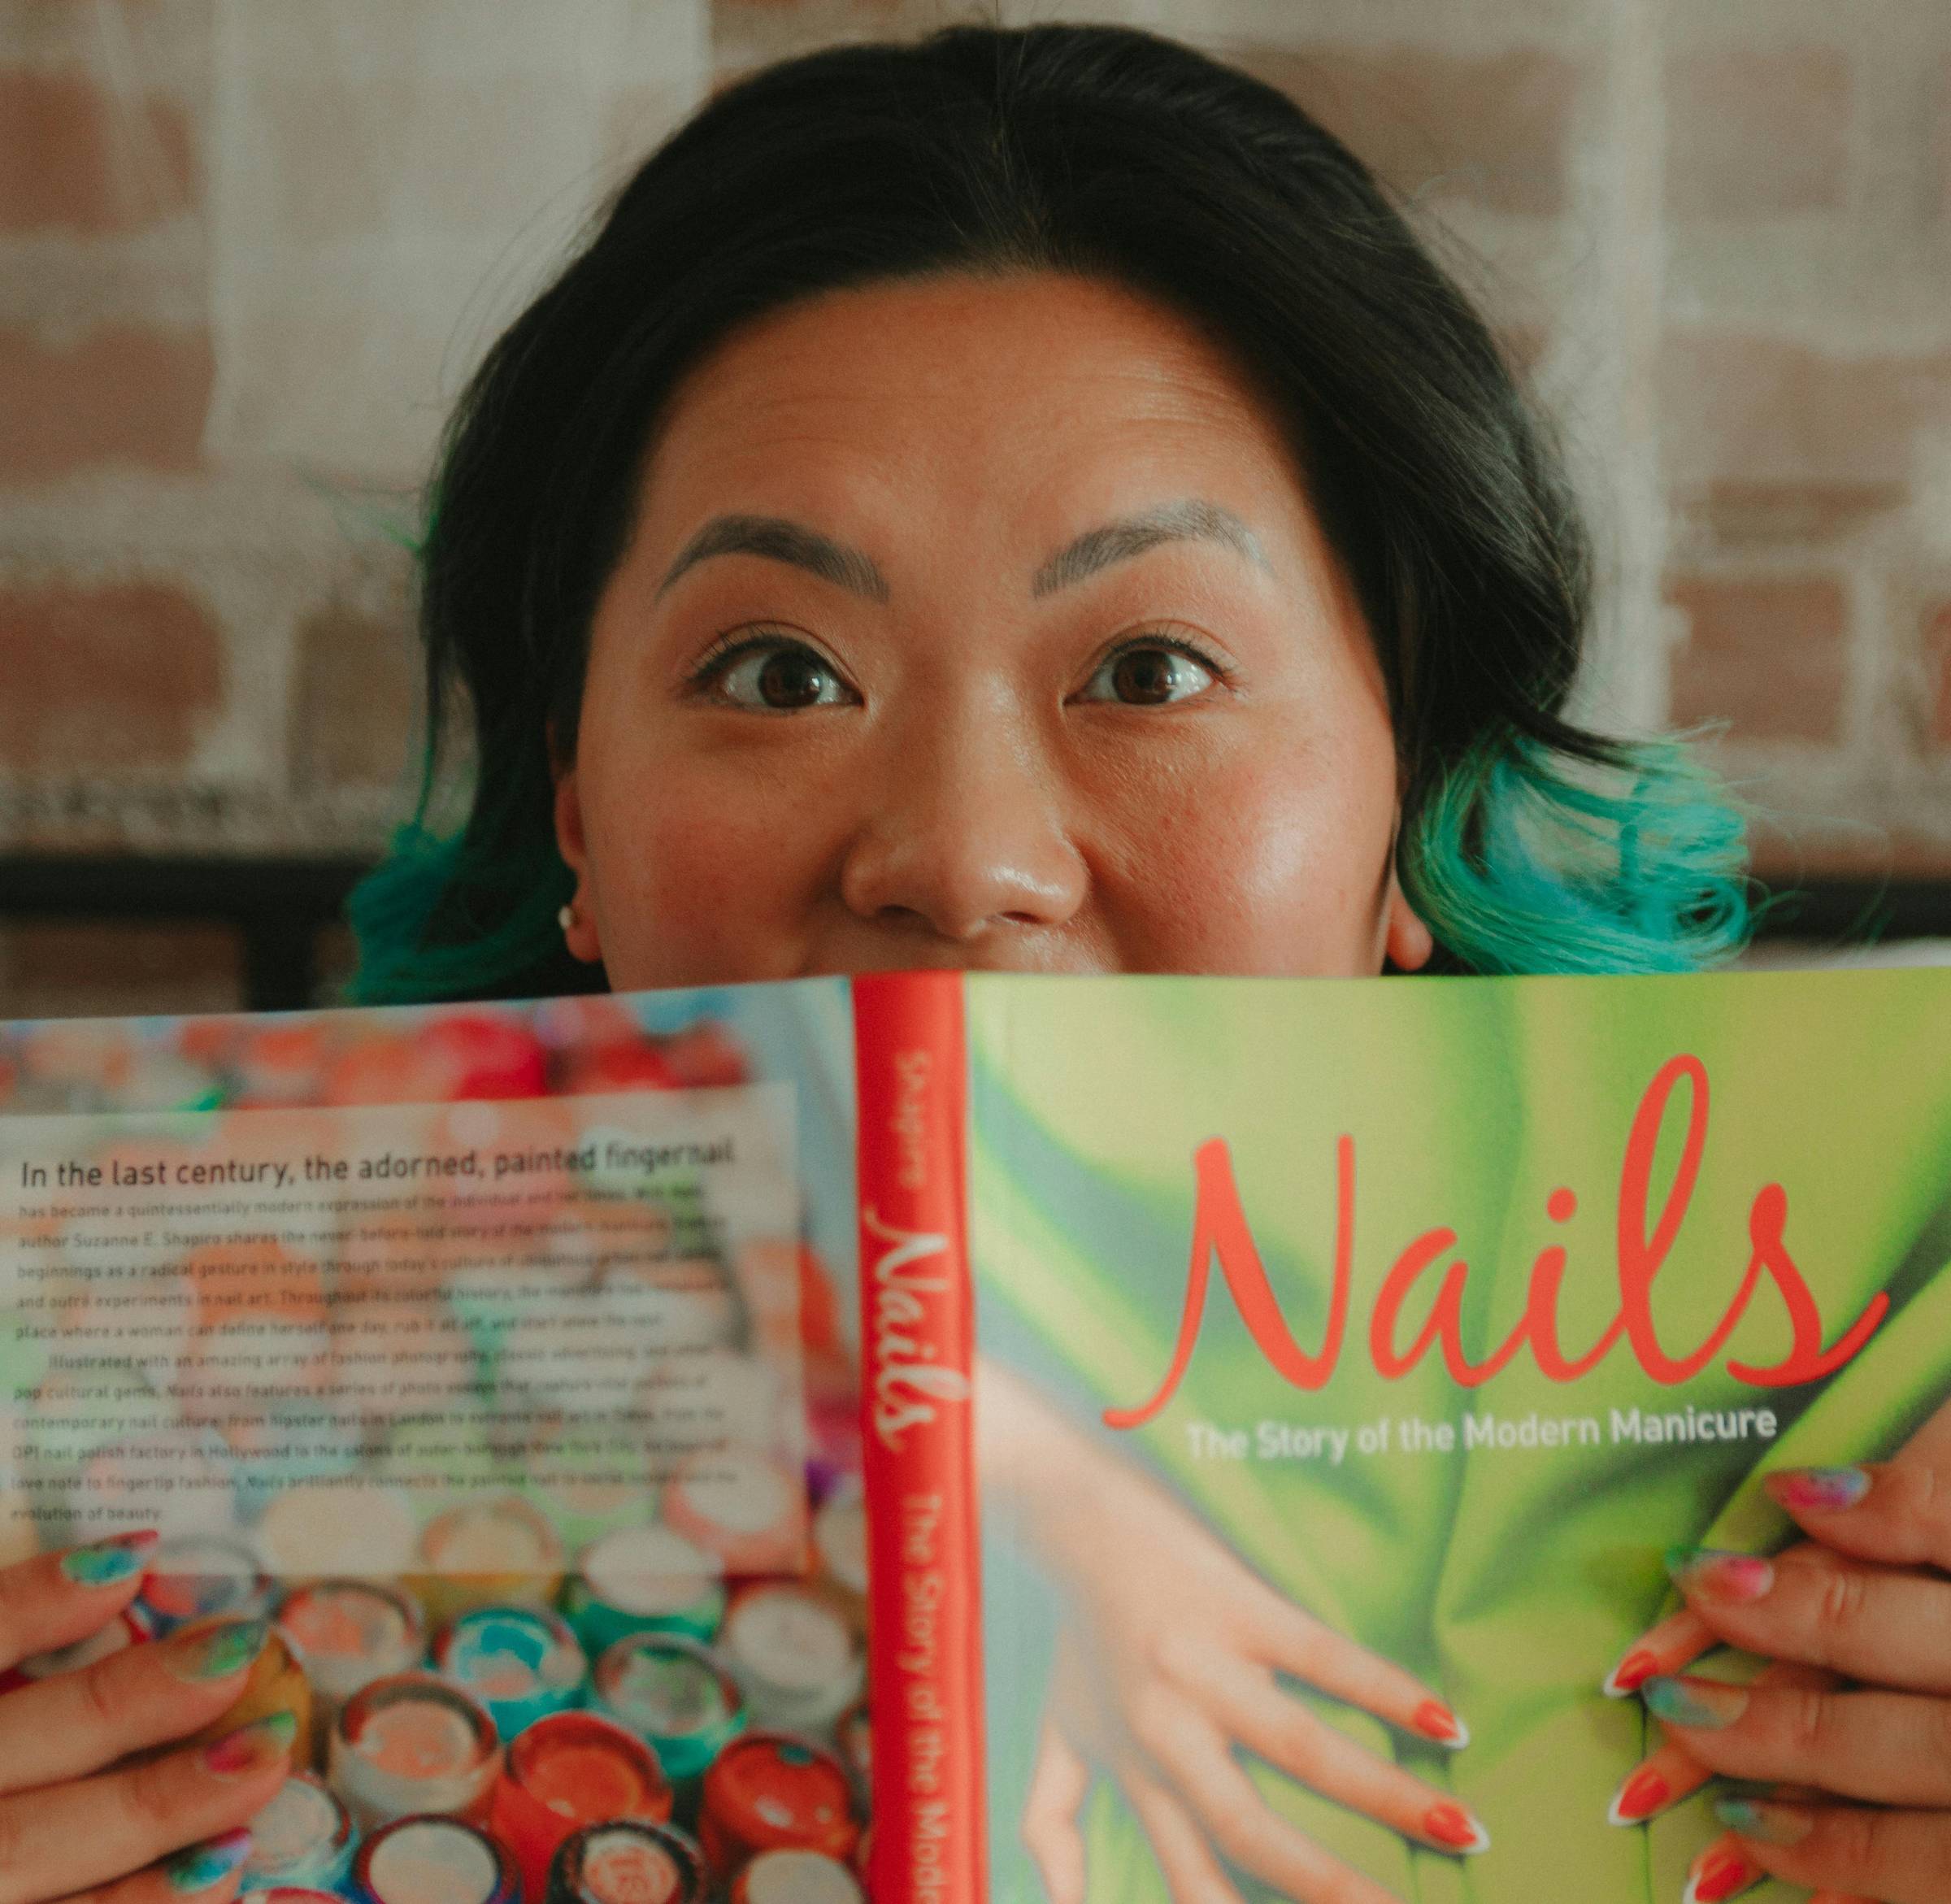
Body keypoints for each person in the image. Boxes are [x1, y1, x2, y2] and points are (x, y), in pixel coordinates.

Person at [0, 23, 1941, 1904]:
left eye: (1151, 670)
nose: (963, 856)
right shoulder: (200, 1456)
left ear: (1408, 808)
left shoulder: (1836, 1394)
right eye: (778, 674)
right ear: (578, 815)